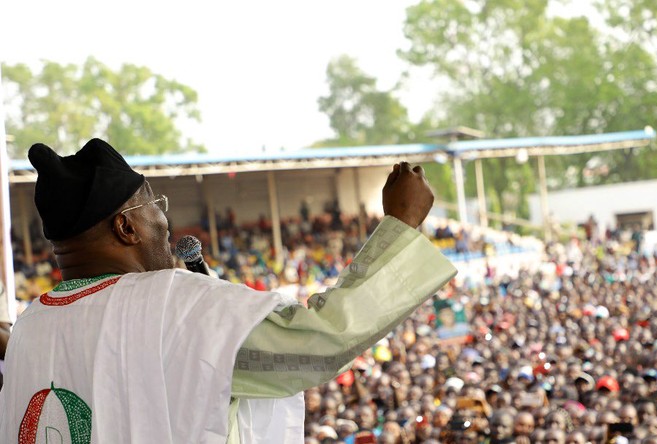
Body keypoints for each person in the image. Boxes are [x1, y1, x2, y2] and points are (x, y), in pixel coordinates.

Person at [0, 139, 457, 443]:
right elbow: (319, 342)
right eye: (155, 205)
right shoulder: (170, 307)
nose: (165, 220)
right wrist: (401, 226)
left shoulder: (29, 330)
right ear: (126, 226)